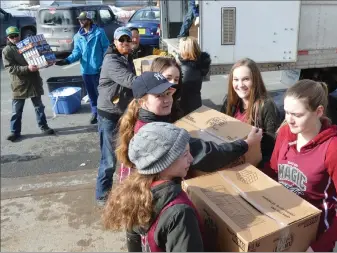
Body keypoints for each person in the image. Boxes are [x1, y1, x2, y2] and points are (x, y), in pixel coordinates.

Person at [266, 79, 337, 252]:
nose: (289, 120)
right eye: (287, 113)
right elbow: (273, 170)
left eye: (297, 115)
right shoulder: (286, 133)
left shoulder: (336, 151)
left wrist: (321, 245)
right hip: (284, 223)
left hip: (314, 235)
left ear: (319, 111)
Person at [116, 72, 262, 184]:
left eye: (168, 93)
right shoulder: (157, 132)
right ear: (142, 102)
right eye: (159, 96)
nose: (167, 99)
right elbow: (206, 154)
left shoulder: (147, 121)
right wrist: (246, 144)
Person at [103, 122, 204, 252]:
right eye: (185, 154)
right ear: (164, 163)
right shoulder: (180, 212)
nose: (191, 158)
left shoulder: (135, 193)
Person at [95, 27, 137, 206]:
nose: (125, 43)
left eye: (128, 40)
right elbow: (131, 81)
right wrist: (155, 80)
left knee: (125, 153)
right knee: (109, 158)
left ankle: (123, 189)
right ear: (115, 42)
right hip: (109, 115)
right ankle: (102, 194)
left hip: (122, 112)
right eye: (122, 40)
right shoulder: (111, 60)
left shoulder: (127, 57)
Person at [221, 58, 279, 168]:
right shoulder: (230, 102)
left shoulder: (266, 106)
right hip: (230, 160)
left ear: (255, 80)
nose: (240, 84)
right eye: (236, 79)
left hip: (253, 166)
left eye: (246, 79)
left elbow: (270, 148)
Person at [2, 26, 55, 142]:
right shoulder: (7, 50)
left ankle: (44, 126)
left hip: (34, 81)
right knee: (17, 110)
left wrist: (46, 61)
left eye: (16, 35)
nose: (15, 38)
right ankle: (14, 132)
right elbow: (10, 68)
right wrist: (27, 68)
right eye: (12, 37)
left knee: (39, 107)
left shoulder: (27, 45)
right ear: (8, 38)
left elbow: (39, 57)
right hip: (19, 84)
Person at [55, 11, 109, 125]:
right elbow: (77, 52)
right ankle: (95, 113)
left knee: (102, 93)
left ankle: (104, 114)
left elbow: (106, 49)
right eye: (79, 19)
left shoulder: (99, 32)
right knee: (91, 94)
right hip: (86, 71)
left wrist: (104, 64)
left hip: (99, 69)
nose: (80, 21)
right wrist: (67, 60)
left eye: (83, 19)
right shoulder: (78, 36)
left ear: (89, 20)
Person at [177, 36, 211, 114]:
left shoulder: (187, 69)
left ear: (185, 50)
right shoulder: (199, 64)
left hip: (185, 107)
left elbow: (179, 91)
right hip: (196, 102)